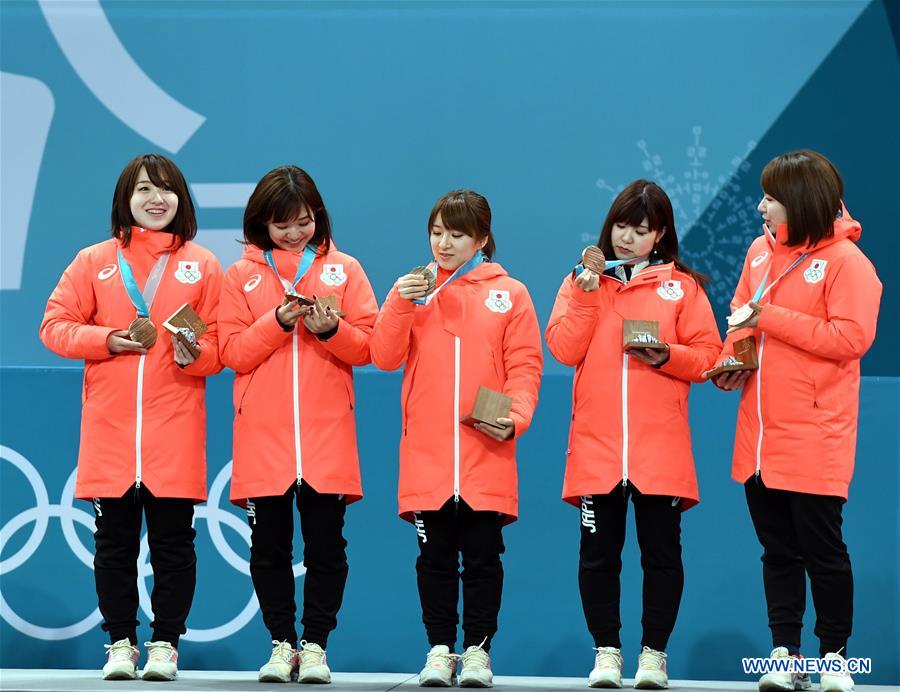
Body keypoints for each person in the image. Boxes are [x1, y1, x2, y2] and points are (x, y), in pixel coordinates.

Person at [40, 153, 223, 681]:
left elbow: (219, 345)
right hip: (111, 432)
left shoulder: (203, 264)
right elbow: (54, 325)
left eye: (165, 189)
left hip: (175, 428)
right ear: (126, 198)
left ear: (181, 199)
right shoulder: (93, 260)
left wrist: (196, 355)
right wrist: (107, 339)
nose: (155, 199)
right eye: (144, 189)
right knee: (113, 545)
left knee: (174, 546)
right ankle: (120, 642)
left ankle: (165, 644)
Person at [708, 151, 881, 692]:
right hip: (759, 436)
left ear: (800, 201)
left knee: (823, 554)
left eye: (770, 198)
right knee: (778, 553)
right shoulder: (759, 251)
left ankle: (835, 659)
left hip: (815, 435)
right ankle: (785, 655)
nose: (761, 207)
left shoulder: (848, 262)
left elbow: (851, 338)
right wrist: (732, 361)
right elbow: (739, 316)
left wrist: (771, 317)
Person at [546, 180, 721, 689]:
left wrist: (667, 355)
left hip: (659, 448)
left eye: (641, 230)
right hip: (597, 446)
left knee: (662, 555)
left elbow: (709, 356)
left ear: (660, 234)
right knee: (597, 555)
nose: (627, 238)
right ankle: (606, 653)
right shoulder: (581, 281)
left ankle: (653, 656)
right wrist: (585, 295)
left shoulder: (682, 287)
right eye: (621, 226)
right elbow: (562, 348)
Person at [370, 189, 542, 688]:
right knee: (434, 560)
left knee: (484, 558)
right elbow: (384, 356)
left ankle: (478, 654)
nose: (443, 243)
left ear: (482, 239)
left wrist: (516, 417)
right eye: (437, 232)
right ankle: (440, 651)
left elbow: (525, 366)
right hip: (427, 454)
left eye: (457, 234)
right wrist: (400, 302)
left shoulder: (511, 293)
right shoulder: (413, 289)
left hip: (486, 449)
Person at [218, 165, 378, 684]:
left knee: (327, 546)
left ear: (318, 217)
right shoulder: (239, 275)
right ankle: (280, 643)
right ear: (261, 222)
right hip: (263, 434)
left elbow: (369, 346)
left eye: (303, 222)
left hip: (326, 431)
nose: (293, 233)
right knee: (269, 548)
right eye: (282, 224)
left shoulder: (344, 269)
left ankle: (315, 647)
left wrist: (332, 330)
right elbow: (232, 352)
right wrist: (277, 321)